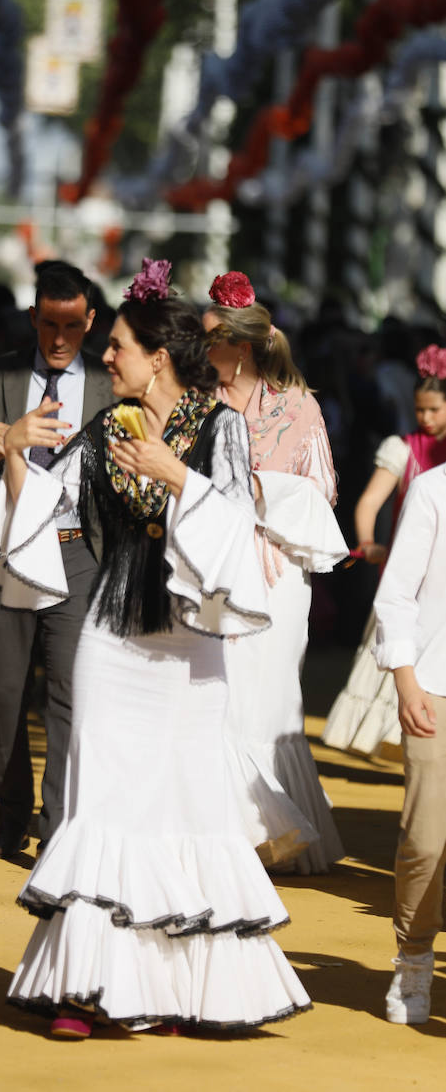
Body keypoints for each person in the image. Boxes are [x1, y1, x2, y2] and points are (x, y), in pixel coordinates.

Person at [0, 259, 310, 1036]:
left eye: (119, 347)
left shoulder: (220, 427)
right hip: (112, 634)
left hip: (191, 644)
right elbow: (45, 514)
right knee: (100, 794)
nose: (106, 357)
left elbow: (235, 530)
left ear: (157, 357)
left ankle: (172, 988)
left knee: (182, 803)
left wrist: (178, 479)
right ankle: (88, 988)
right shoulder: (105, 427)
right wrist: (9, 453)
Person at [0, 260, 114, 858]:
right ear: (33, 318)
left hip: (78, 551)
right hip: (5, 553)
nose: (58, 339)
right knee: (1, 695)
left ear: (90, 322)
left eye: (72, 326)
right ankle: (11, 816)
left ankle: (58, 827)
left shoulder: (107, 382)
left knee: (72, 696)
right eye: (49, 324)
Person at [202, 272, 346, 875]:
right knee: (216, 692)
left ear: (240, 345)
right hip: (210, 566)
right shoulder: (195, 403)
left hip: (279, 571)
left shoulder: (299, 405)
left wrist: (260, 490)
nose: (198, 348)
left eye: (208, 338)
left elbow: (325, 492)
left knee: (272, 694)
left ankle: (276, 836)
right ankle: (223, 836)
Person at [322, 345, 446, 760]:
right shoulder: (402, 447)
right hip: (409, 574)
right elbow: (368, 503)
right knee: (398, 655)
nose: (426, 418)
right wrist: (368, 543)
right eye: (420, 409)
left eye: (434, 409)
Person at [373, 454, 446, 1023]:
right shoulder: (432, 490)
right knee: (425, 840)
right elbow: (396, 593)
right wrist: (405, 678)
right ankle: (414, 959)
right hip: (435, 686)